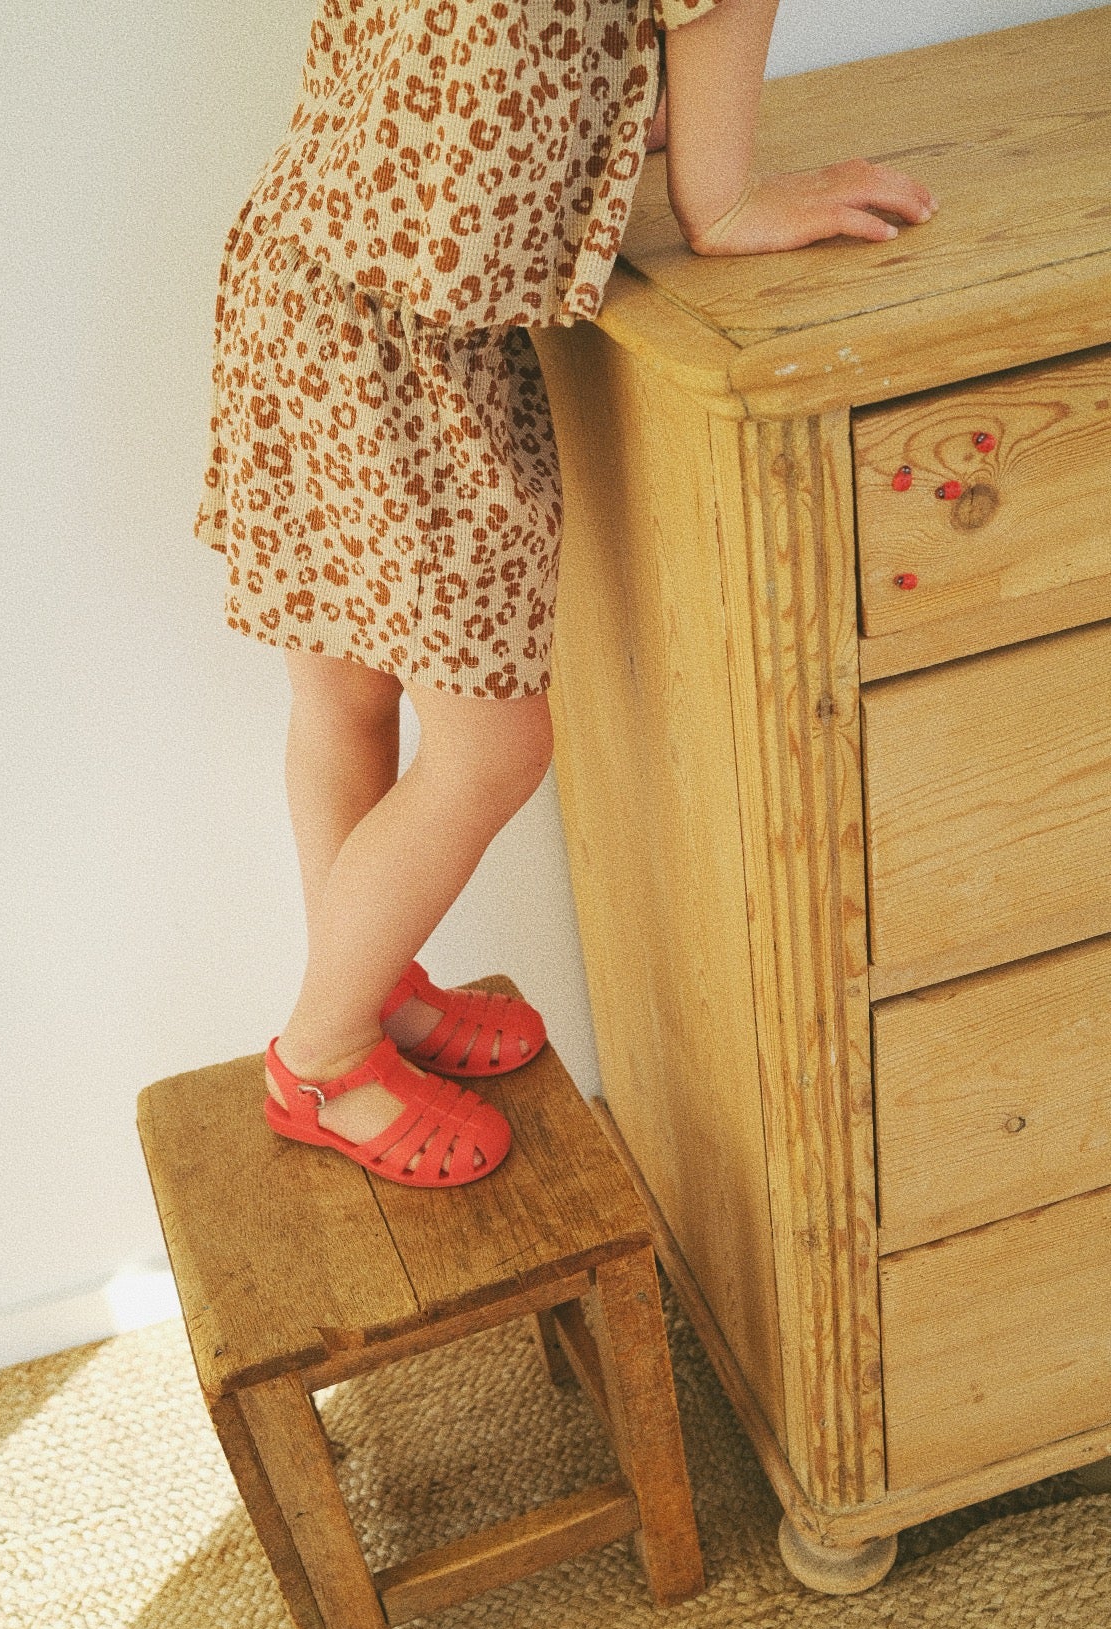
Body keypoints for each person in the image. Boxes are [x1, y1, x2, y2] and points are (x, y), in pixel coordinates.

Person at [193, 0, 937, 1189]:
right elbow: (714, 171)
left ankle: (367, 979)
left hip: (301, 272)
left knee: (345, 692)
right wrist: (727, 191)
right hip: (405, 344)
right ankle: (321, 1057)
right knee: (489, 750)